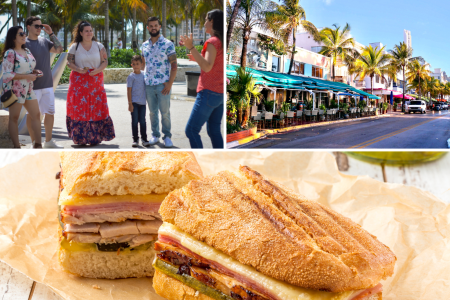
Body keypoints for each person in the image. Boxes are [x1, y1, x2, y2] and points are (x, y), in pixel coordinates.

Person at [66, 20, 115, 146]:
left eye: (91, 30)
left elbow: (105, 61)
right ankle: (80, 138)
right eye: (86, 31)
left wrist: (97, 70)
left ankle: (94, 136)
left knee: (96, 107)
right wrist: (78, 69)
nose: (89, 33)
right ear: (81, 33)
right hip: (78, 80)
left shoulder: (99, 46)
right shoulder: (74, 46)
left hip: (95, 80)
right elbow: (69, 62)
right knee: (79, 108)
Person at [180, 9, 224, 148]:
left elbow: (207, 67)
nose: (204, 23)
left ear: (213, 22)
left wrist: (191, 47)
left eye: (206, 20)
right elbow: (214, 63)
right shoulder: (220, 41)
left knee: (191, 130)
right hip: (219, 93)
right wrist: (197, 58)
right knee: (214, 131)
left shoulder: (212, 41)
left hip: (208, 92)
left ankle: (200, 162)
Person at [25, 16, 64, 148]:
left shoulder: (44, 41)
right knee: (31, 115)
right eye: (37, 26)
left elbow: (60, 50)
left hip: (47, 84)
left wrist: (51, 33)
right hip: (31, 86)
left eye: (41, 26)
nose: (40, 28)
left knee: (50, 113)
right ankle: (34, 143)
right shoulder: (23, 43)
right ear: (28, 27)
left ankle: (48, 142)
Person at [1, 26, 42, 148]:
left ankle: (38, 144)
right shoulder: (10, 53)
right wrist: (28, 76)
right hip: (15, 90)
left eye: (24, 33)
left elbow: (27, 69)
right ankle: (16, 146)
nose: (25, 35)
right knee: (14, 118)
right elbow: (7, 74)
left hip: (29, 88)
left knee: (36, 115)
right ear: (14, 37)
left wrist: (35, 72)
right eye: (21, 34)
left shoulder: (27, 51)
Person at [141, 16, 177, 148]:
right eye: (151, 26)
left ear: (159, 26)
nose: (153, 28)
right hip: (149, 85)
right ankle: (155, 135)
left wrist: (170, 83)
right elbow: (143, 64)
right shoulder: (144, 45)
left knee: (165, 112)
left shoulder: (168, 44)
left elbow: (174, 65)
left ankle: (167, 136)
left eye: (156, 25)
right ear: (148, 28)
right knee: (152, 112)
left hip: (163, 85)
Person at [127, 55, 150, 147]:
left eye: (138, 64)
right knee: (134, 121)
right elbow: (129, 90)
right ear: (131, 65)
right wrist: (130, 104)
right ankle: (135, 139)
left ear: (141, 64)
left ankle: (144, 139)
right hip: (134, 103)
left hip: (143, 103)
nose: (136, 66)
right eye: (134, 64)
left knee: (143, 121)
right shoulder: (131, 77)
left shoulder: (144, 74)